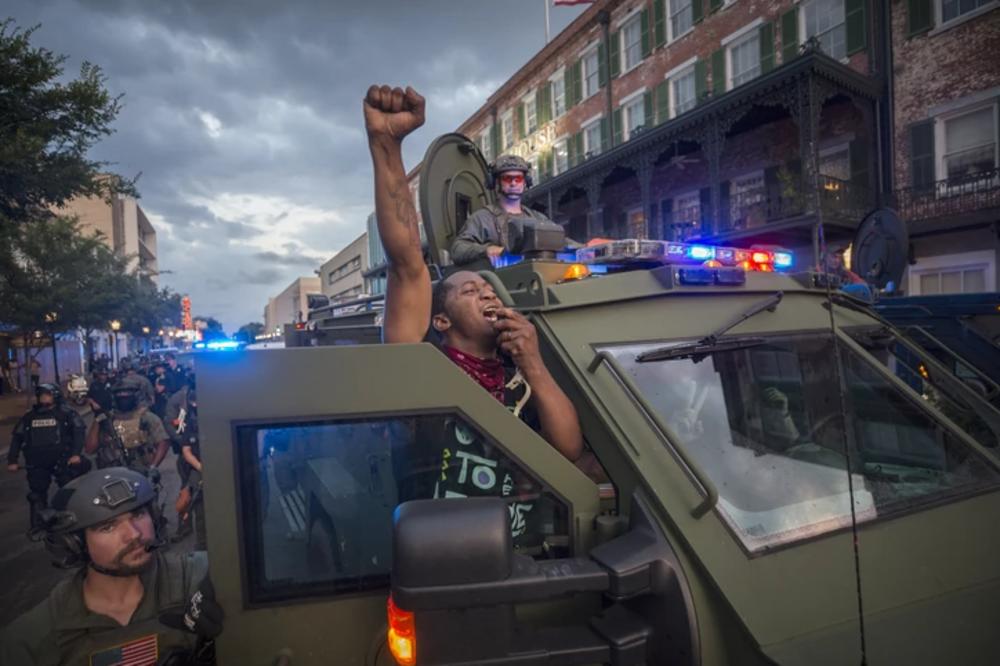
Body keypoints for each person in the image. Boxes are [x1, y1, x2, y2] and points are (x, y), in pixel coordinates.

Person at [364, 84, 583, 463]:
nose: (487, 293)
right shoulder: (425, 370)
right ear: (441, 320)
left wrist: (532, 362)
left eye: (489, 290)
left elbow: (568, 451)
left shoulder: (519, 378)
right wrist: (386, 145)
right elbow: (406, 263)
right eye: (469, 290)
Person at [0, 467, 223, 666]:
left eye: (138, 514)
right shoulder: (30, 639)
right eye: (107, 527)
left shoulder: (202, 576)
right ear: (75, 544)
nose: (134, 534)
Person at [6, 383, 89, 530]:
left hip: (63, 460)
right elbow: (17, 437)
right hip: (37, 462)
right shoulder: (30, 416)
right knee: (37, 495)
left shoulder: (67, 413)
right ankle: (39, 524)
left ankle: (72, 520)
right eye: (41, 395)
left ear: (55, 395)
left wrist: (76, 454)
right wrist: (12, 460)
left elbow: (79, 432)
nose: (43, 397)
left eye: (47, 394)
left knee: (68, 490)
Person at [450, 154, 556, 269]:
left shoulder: (538, 218)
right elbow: (458, 249)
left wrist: (578, 248)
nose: (513, 183)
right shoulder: (482, 219)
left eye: (518, 179)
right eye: (507, 178)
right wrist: (486, 250)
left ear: (525, 182)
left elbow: (560, 239)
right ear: (495, 182)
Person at [86, 382, 170, 472]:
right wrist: (97, 422)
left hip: (141, 469)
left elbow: (163, 442)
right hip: (111, 471)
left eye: (127, 394)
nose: (123, 396)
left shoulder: (146, 417)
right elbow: (90, 449)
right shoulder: (105, 419)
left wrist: (153, 467)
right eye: (120, 394)